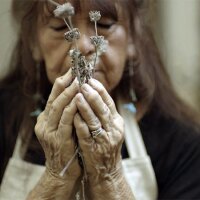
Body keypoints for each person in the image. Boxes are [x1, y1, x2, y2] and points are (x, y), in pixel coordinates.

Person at [0, 0, 200, 199]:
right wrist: (57, 176)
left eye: (104, 25)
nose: (82, 46)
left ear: (132, 37)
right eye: (61, 26)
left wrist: (109, 176)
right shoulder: (5, 119)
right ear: (34, 42)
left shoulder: (180, 143)